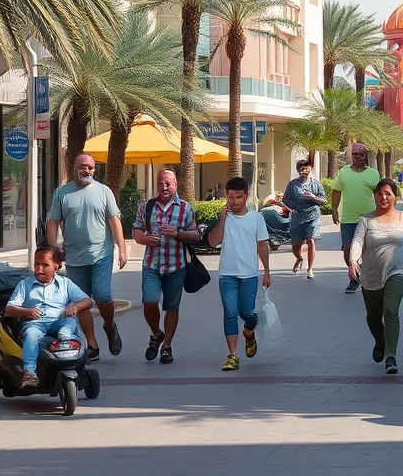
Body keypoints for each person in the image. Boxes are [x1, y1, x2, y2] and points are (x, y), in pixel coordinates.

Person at [46, 153, 127, 362]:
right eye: (83, 167)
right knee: (81, 302)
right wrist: (54, 249)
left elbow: (114, 219)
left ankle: (109, 325)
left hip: (101, 254)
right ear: (75, 167)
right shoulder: (62, 193)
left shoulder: (103, 191)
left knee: (102, 296)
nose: (87, 171)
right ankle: (92, 345)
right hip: (74, 257)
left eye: (90, 168)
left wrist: (122, 247)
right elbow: (53, 221)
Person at [349, 178, 403, 375]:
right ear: (375, 196)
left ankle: (390, 356)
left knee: (391, 310)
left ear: (395, 196)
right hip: (370, 275)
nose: (383, 197)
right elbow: (357, 242)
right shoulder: (366, 220)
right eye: (379, 193)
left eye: (388, 193)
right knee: (373, 317)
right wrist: (353, 261)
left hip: (398, 272)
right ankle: (380, 340)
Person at [132, 169, 200, 364]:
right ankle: (156, 334)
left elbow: (195, 235)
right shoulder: (146, 206)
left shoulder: (186, 208)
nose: (164, 187)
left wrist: (176, 234)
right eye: (161, 183)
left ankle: (167, 346)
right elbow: (136, 230)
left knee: (172, 307)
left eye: (168, 183)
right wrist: (144, 238)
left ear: (175, 185)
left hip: (176, 266)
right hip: (152, 265)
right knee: (149, 301)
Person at [5, 244, 92, 387]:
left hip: (59, 320)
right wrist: (27, 311)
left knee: (70, 323)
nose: (39, 269)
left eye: (45, 265)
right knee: (31, 335)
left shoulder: (65, 284)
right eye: (36, 264)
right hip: (35, 323)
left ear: (56, 266)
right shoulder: (24, 285)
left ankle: (65, 339)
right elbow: (10, 309)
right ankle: (29, 372)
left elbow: (87, 300)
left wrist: (75, 306)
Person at [208, 176, 271, 371]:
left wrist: (267, 271)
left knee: (248, 314)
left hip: (249, 275)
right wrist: (221, 220)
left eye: (239, 197)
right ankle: (232, 355)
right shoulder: (224, 217)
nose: (234, 201)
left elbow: (262, 246)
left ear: (247, 196)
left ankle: (249, 333)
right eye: (231, 197)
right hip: (226, 274)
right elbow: (212, 242)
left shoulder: (256, 218)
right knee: (230, 314)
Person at [332, 143, 381, 294]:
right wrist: (334, 209)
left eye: (360, 154)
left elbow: (379, 194)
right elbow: (336, 191)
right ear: (351, 155)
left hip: (368, 218)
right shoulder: (344, 172)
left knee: (367, 249)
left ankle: (365, 276)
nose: (357, 157)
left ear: (365, 156)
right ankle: (354, 276)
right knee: (347, 248)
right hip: (348, 218)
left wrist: (381, 213)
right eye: (354, 154)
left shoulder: (373, 174)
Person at [281, 158, 327, 279]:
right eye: (302, 169)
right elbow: (285, 200)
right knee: (296, 245)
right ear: (298, 171)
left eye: (306, 168)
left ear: (310, 169)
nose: (305, 171)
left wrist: (314, 197)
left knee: (311, 239)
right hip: (298, 216)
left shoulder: (316, 184)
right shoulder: (292, 184)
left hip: (313, 215)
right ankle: (299, 258)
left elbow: (324, 200)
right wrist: (291, 208)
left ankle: (310, 269)